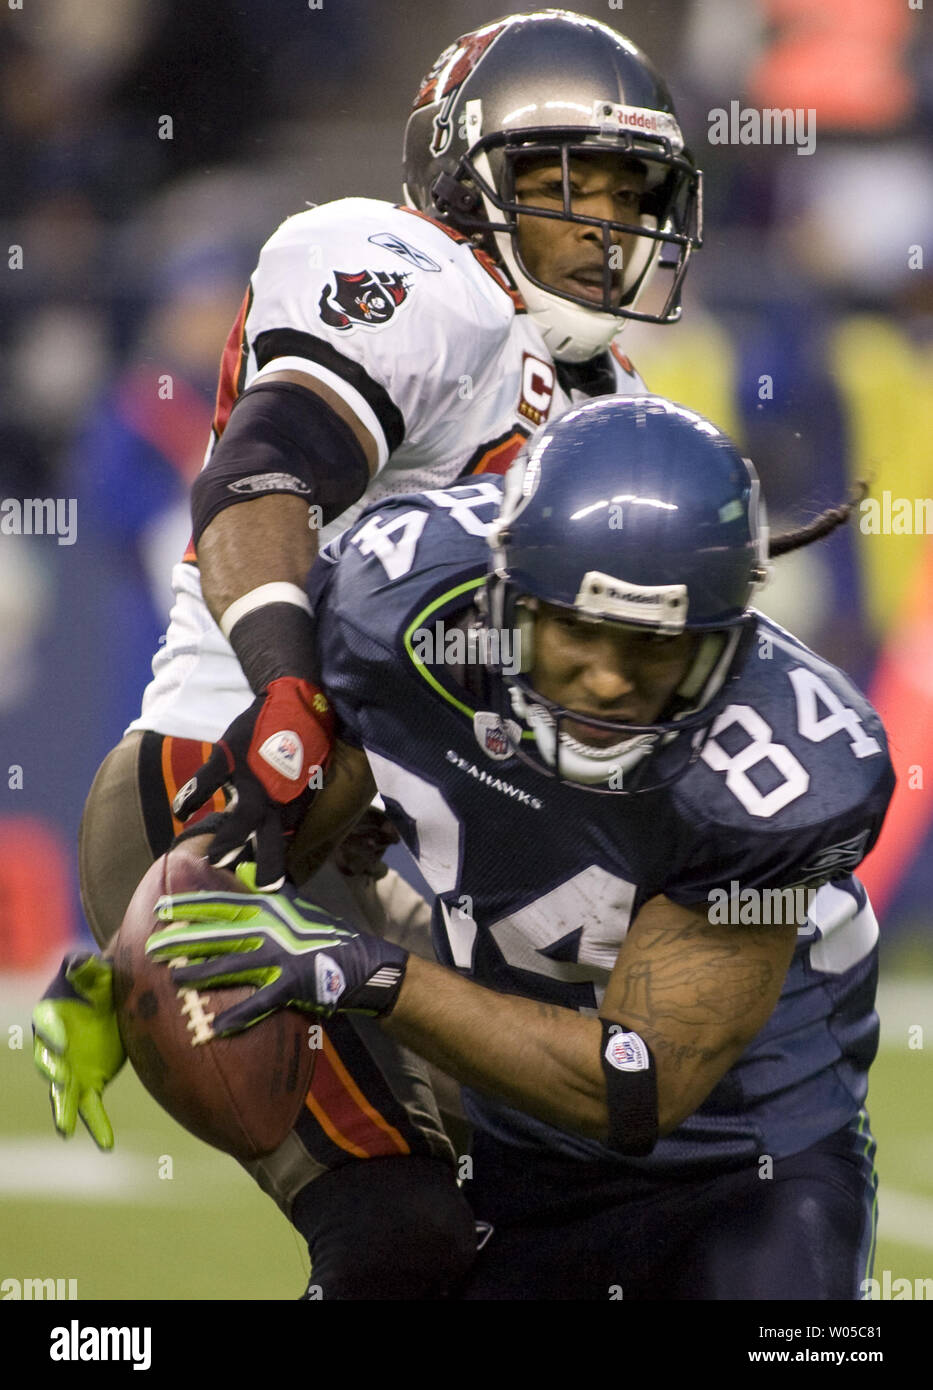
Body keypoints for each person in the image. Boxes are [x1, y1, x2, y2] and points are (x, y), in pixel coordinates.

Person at [35, 11, 703, 1300]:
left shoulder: (627, 409)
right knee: (402, 1233)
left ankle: (90, 987)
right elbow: (262, 469)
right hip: (240, 792)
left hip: (425, 857)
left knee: (591, 1209)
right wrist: (287, 688)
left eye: (635, 190)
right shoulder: (416, 276)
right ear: (473, 178)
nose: (610, 222)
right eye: (574, 181)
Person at [145, 395, 895, 1301]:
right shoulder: (403, 611)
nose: (609, 679)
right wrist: (130, 965)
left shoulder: (783, 770)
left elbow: (636, 1090)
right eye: (578, 629)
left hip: (746, 1166)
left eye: (656, 649)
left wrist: (366, 971)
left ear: (723, 643)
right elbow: (268, 837)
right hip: (522, 1154)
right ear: (507, 599)